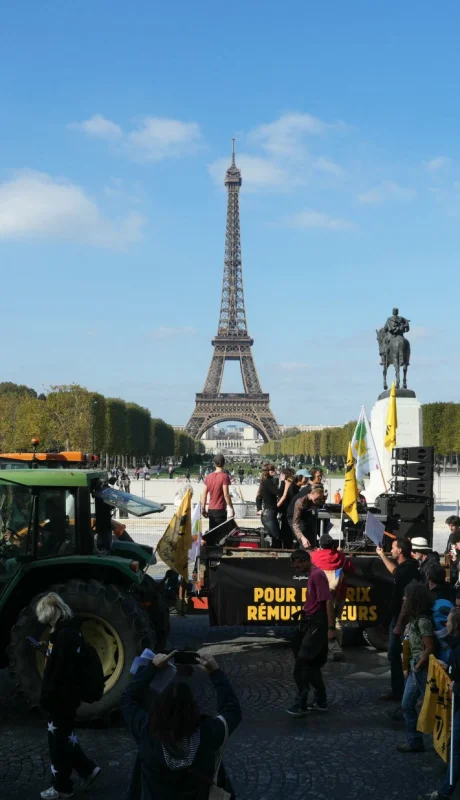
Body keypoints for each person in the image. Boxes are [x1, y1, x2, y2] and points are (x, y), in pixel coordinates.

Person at [121, 651, 241, 800]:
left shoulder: (146, 731)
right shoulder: (209, 732)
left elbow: (128, 699)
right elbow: (232, 710)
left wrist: (152, 668)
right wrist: (215, 672)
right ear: (193, 708)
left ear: (159, 708)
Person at [36, 593, 100, 800]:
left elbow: (61, 672)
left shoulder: (64, 637)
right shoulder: (70, 634)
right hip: (67, 698)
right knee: (64, 736)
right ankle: (87, 770)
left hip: (61, 699)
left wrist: (48, 697)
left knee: (58, 743)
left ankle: (62, 787)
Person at [286, 549, 337, 716]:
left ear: (303, 560)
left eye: (296, 565)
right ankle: (321, 701)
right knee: (312, 665)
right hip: (310, 622)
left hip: (318, 624)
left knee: (302, 665)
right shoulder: (313, 575)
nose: (295, 569)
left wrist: (331, 628)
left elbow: (328, 602)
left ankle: (301, 703)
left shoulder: (317, 575)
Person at [418, 608, 460, 800]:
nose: (446, 624)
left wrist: (456, 685)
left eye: (449, 622)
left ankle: (445, 791)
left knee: (456, 746)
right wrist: (448, 669)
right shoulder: (455, 646)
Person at [376, 538, 420, 702]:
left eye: (393, 548)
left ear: (400, 550)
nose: (391, 550)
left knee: (399, 655)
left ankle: (404, 693)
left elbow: (397, 576)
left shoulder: (408, 569)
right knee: (397, 655)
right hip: (400, 618)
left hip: (403, 619)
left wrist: (399, 623)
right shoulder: (406, 568)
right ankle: (400, 691)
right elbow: (396, 572)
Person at [397, 582, 435, 753]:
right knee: (407, 705)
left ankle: (441, 745)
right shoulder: (415, 620)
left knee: (431, 708)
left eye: (406, 596)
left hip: (422, 669)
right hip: (416, 668)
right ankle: (415, 741)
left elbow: (430, 647)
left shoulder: (423, 621)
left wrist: (418, 665)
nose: (403, 598)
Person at [311, 534, 355, 660]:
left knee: (319, 621)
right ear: (333, 545)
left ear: (321, 545)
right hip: (338, 594)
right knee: (336, 621)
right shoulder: (341, 557)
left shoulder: (314, 556)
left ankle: (322, 648)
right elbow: (351, 569)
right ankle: (337, 648)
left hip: (320, 595)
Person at [201, 454, 234, 530]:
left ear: (214, 463)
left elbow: (204, 494)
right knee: (220, 534)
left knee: (212, 532)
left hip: (211, 509)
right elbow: (226, 494)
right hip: (220, 509)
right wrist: (231, 508)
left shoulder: (209, 476)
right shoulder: (224, 476)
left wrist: (203, 508)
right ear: (224, 463)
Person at [255, 463, 283, 548]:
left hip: (268, 513)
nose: (274, 471)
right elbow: (278, 492)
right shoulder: (268, 482)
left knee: (275, 537)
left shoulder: (265, 482)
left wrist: (259, 509)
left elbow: (258, 497)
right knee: (277, 537)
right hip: (269, 513)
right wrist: (282, 482)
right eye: (272, 470)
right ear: (267, 472)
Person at [277, 467, 299, 548]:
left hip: (287, 513)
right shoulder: (294, 486)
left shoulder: (289, 486)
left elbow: (281, 495)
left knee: (286, 535)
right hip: (289, 513)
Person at [446, 517, 460, 583]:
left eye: (453, 526)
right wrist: (446, 573)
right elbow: (447, 552)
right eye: (449, 525)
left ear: (458, 525)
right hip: (451, 569)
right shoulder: (451, 535)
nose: (450, 528)